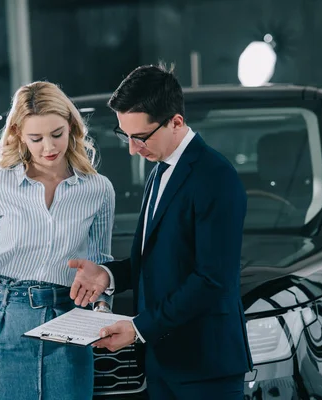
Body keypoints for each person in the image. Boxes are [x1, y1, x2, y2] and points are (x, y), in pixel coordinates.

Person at [67, 64, 253, 399]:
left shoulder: (215, 177)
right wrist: (108, 275)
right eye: (125, 136)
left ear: (176, 122)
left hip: (205, 367)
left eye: (139, 137)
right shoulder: (159, 170)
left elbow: (211, 280)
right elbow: (161, 259)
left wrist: (138, 328)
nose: (131, 149)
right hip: (162, 362)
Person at [0, 81, 115, 400]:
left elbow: (100, 265)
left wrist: (103, 308)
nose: (48, 147)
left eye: (57, 134)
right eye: (36, 138)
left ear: (71, 127)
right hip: (4, 322)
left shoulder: (98, 190)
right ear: (18, 135)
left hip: (69, 320)